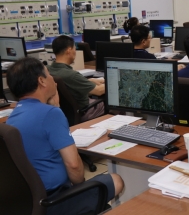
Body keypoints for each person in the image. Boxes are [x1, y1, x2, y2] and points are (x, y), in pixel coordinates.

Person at [6, 57, 123, 214]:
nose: (52, 79)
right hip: (53, 201)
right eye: (49, 74)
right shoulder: (50, 114)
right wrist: (81, 188)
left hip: (27, 203)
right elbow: (73, 166)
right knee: (116, 180)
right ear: (41, 81)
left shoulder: (12, 117)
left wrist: (56, 107)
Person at [48, 35, 105, 121]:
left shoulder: (48, 70)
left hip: (65, 113)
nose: (75, 52)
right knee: (113, 104)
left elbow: (72, 84)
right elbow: (99, 91)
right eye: (75, 49)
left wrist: (89, 81)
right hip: (86, 111)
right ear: (69, 50)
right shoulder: (71, 75)